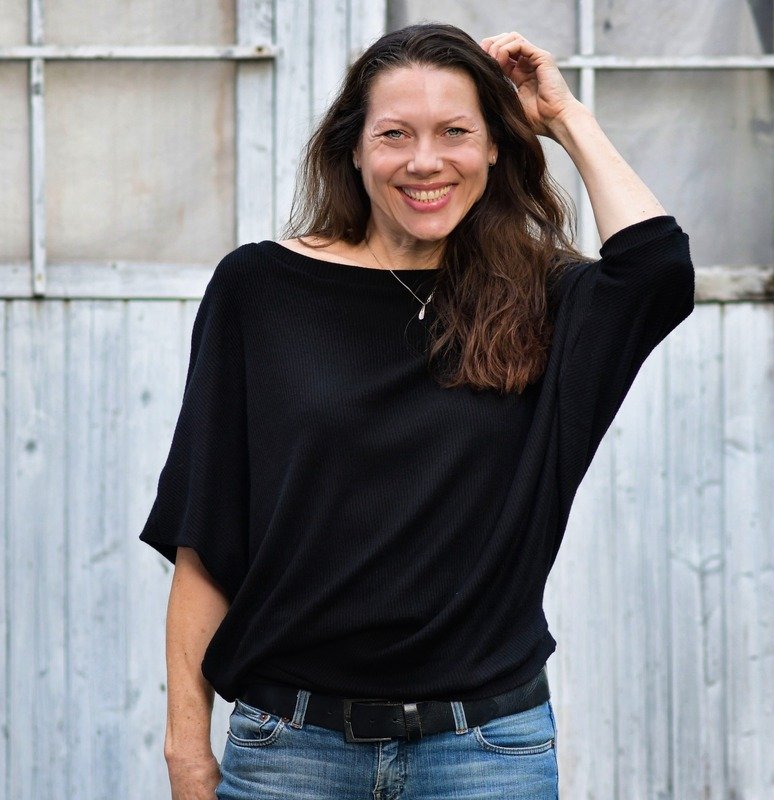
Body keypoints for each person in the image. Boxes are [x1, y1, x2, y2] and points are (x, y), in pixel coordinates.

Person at [139, 22, 695, 800]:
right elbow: (205, 530)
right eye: (395, 134)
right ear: (354, 149)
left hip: (486, 754)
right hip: (289, 751)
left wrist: (565, 117)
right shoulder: (259, 289)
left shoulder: (546, 300)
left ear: (495, 147)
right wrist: (186, 748)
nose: (425, 161)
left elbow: (658, 269)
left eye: (456, 132)